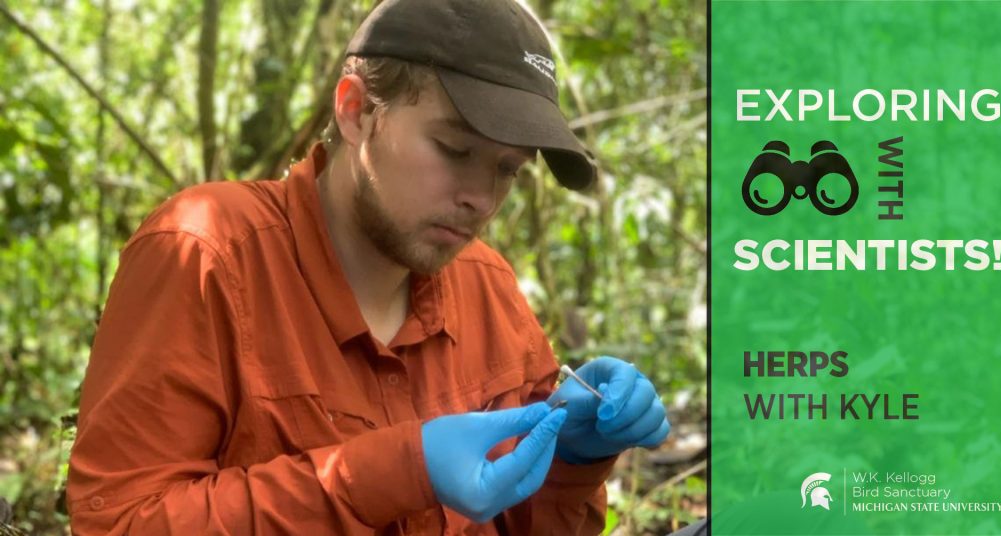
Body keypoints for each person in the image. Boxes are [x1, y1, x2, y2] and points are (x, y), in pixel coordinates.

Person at [66, 0, 670, 534]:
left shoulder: (487, 286)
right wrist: (390, 473)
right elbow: (120, 522)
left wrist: (571, 462)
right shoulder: (207, 253)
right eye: (455, 150)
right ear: (356, 111)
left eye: (508, 169)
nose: (482, 199)